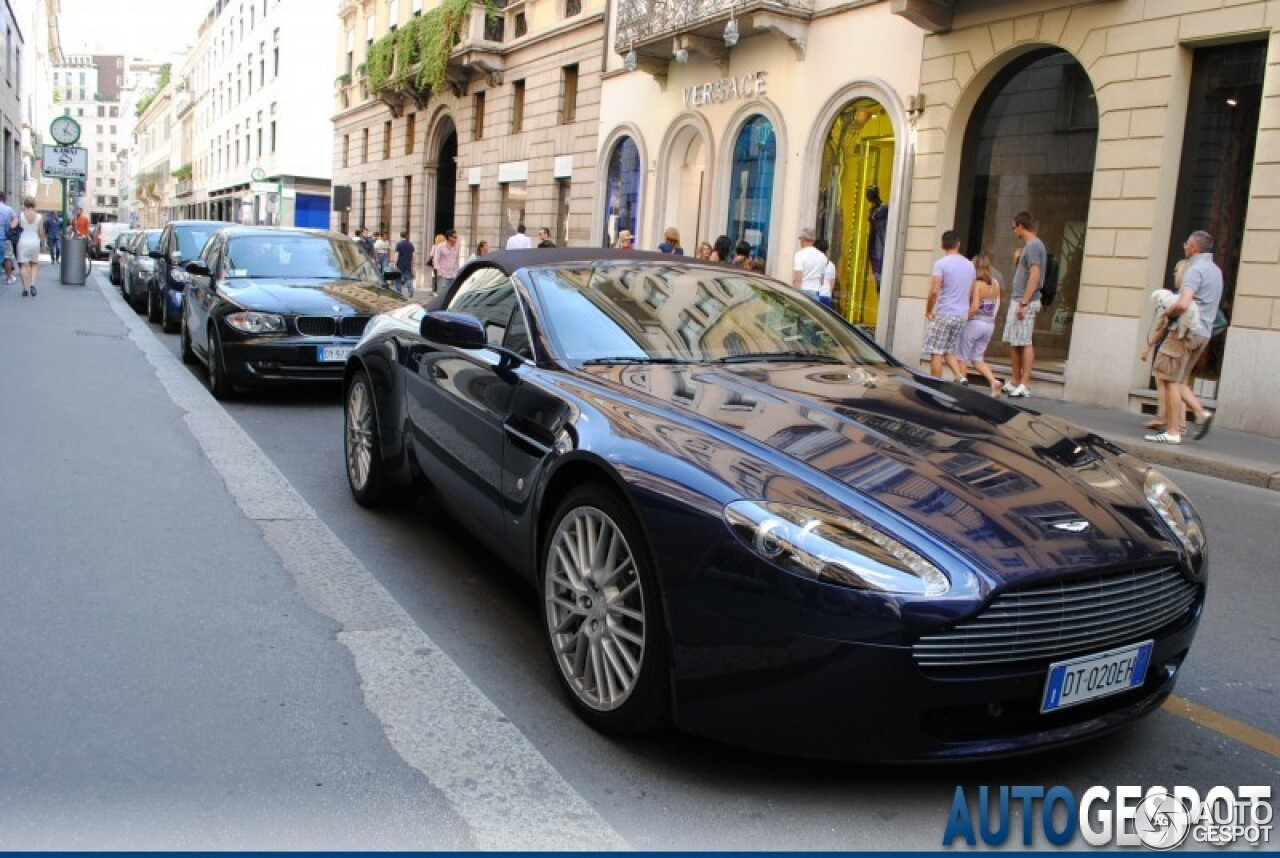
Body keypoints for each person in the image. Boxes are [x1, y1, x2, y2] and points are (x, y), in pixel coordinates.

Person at [1145, 230, 1224, 445]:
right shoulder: (1216, 271)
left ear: (1195, 248)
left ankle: (1173, 431)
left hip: (1184, 333)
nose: (1184, 246)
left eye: (1187, 244)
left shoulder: (1194, 270)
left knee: (1168, 379)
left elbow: (1184, 302)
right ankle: (1199, 414)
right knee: (1179, 380)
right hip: (1203, 334)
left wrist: (1169, 312)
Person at [1001, 210, 1045, 398]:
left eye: (1014, 228)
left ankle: (1024, 384)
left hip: (1025, 301)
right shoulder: (1029, 247)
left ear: (1021, 226)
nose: (1013, 232)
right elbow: (1027, 273)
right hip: (1019, 299)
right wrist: (1017, 261)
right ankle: (1015, 380)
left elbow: (1034, 276)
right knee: (1015, 340)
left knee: (1024, 341)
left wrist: (1025, 302)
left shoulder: (1034, 246)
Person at [924, 230, 976, 381]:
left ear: (942, 245)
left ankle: (935, 385)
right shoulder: (969, 265)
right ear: (958, 244)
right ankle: (960, 377)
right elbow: (971, 291)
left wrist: (928, 310)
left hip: (946, 312)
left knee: (936, 351)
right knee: (948, 349)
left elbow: (934, 290)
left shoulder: (941, 264)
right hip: (962, 314)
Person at [954, 254, 1002, 395]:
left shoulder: (976, 284)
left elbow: (975, 307)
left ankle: (961, 386)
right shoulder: (995, 283)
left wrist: (964, 319)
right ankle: (994, 381)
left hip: (975, 324)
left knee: (961, 356)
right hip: (989, 325)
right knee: (977, 358)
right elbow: (997, 305)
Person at [15, 198, 44, 298]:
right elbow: (41, 232)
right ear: (34, 205)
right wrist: (43, 244)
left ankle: (25, 289)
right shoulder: (39, 216)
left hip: (23, 241)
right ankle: (32, 284)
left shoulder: (21, 214)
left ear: (25, 204)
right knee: (34, 264)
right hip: (35, 241)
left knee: (24, 265)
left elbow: (13, 225)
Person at [793, 228, 825, 300]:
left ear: (803, 239)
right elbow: (822, 280)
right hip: (816, 291)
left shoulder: (800, 255)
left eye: (800, 238)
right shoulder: (822, 256)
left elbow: (798, 279)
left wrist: (794, 295)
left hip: (803, 290)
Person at [867, 186, 888, 291]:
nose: (867, 197)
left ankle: (880, 287)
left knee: (879, 264)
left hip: (879, 241)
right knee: (875, 266)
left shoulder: (884, 208)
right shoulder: (872, 209)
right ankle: (878, 285)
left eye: (868, 194)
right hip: (873, 240)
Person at [431, 228, 460, 295]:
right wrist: (438, 270)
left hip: (453, 274)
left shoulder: (457, 247)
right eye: (455, 237)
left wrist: (457, 271)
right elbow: (435, 259)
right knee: (442, 294)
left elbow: (457, 260)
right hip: (443, 274)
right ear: (450, 237)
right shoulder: (440, 247)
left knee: (452, 294)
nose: (456, 239)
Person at [814, 238, 836, 308]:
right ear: (826, 250)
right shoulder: (831, 265)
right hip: (826, 295)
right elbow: (832, 283)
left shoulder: (815, 263)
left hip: (815, 293)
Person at [0, 193, 17, 284]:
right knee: (7, 258)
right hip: (4, 237)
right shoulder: (8, 209)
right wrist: (10, 228)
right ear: (4, 199)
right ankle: (9, 278)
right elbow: (15, 220)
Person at [394, 231, 415, 296]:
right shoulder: (410, 244)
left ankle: (398, 292)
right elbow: (413, 255)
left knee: (398, 279)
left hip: (400, 264)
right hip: (408, 264)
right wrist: (413, 263)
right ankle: (410, 290)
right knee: (408, 278)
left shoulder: (398, 244)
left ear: (400, 236)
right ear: (407, 236)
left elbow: (396, 254)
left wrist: (395, 263)